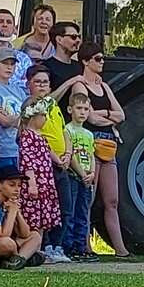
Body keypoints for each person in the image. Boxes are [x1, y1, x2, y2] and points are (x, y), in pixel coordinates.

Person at [68, 42, 130, 258]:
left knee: (111, 199)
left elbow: (121, 114)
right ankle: (85, 245)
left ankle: (120, 249)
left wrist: (104, 115)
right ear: (85, 61)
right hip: (90, 141)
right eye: (98, 58)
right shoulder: (80, 86)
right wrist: (107, 116)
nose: (102, 62)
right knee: (88, 197)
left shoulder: (104, 86)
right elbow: (90, 117)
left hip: (109, 144)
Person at [26, 66, 75, 259]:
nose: (42, 86)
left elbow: (64, 131)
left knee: (65, 207)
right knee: (45, 208)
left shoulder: (53, 107)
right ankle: (45, 246)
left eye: (45, 82)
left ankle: (58, 246)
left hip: (62, 163)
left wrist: (68, 154)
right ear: (29, 84)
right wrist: (55, 157)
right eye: (37, 82)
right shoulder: (31, 108)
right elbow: (36, 137)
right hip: (43, 165)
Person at [18, 95, 68, 263]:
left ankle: (37, 250)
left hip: (45, 183)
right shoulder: (27, 136)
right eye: (43, 115)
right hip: (35, 183)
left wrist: (59, 161)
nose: (46, 118)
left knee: (41, 219)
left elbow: (48, 151)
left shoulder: (40, 136)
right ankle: (32, 249)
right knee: (33, 217)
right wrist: (31, 182)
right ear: (34, 116)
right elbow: (27, 160)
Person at [63, 93, 97, 261]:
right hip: (73, 176)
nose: (82, 112)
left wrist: (92, 173)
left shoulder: (89, 134)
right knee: (70, 212)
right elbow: (71, 157)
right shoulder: (67, 130)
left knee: (83, 212)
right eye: (79, 108)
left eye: (86, 109)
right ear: (70, 109)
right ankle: (68, 246)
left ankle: (81, 246)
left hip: (86, 178)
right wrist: (83, 174)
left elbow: (91, 155)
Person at [0, 46, 25, 168]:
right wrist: (19, 118)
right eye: (5, 63)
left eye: (12, 64)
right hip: (1, 149)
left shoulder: (19, 91)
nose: (9, 67)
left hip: (17, 148)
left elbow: (27, 121)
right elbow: (4, 121)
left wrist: (14, 118)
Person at [43, 21, 84, 103]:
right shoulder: (46, 67)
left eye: (79, 37)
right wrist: (71, 82)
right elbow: (44, 103)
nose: (78, 40)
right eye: (73, 37)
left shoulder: (79, 66)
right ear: (59, 40)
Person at [0, 9, 33, 86]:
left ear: (14, 28)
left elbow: (30, 84)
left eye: (9, 22)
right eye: (0, 21)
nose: (5, 25)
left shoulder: (23, 59)